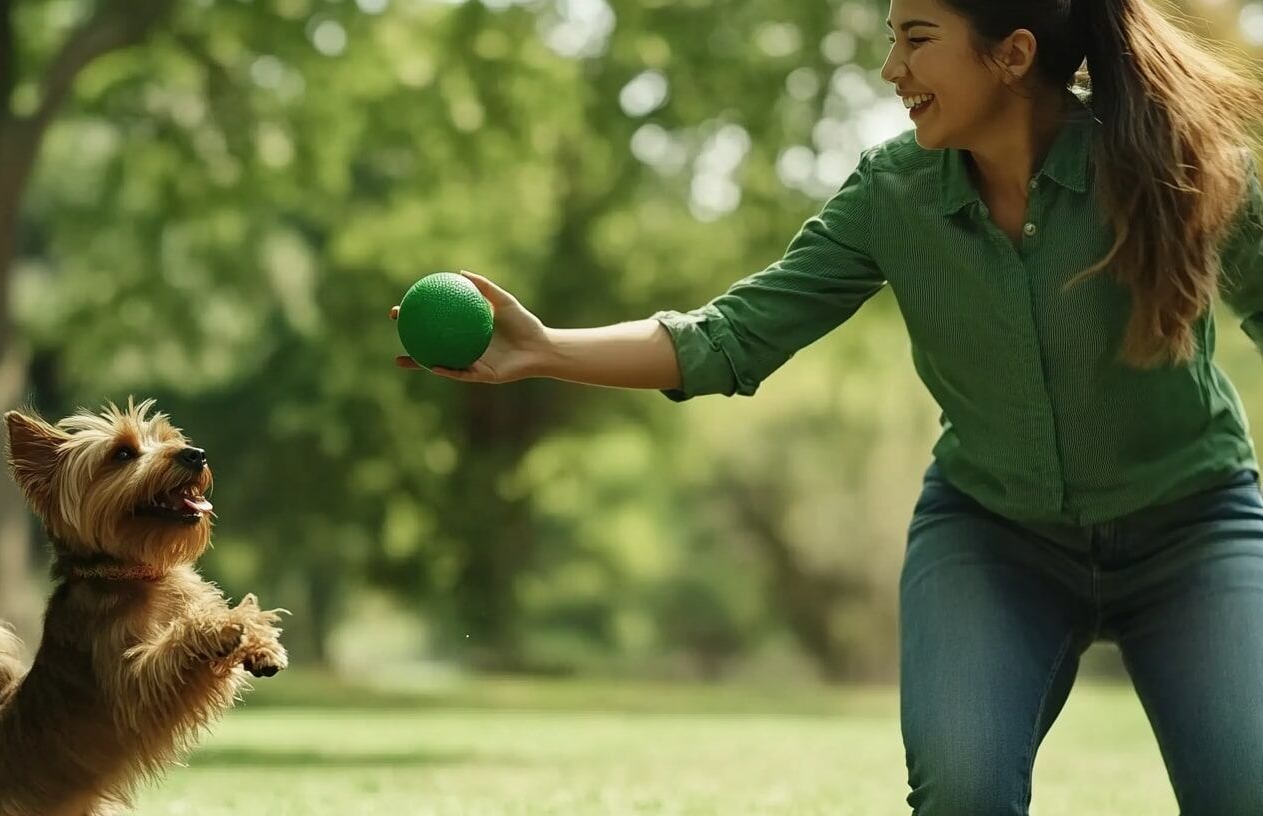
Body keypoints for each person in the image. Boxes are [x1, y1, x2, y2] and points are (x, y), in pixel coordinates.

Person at [390, 0, 1263, 811]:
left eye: (917, 38)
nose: (890, 68)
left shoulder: (1171, 165)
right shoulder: (894, 196)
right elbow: (731, 335)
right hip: (998, 539)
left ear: (1013, 55)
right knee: (961, 791)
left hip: (1191, 531)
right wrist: (542, 348)